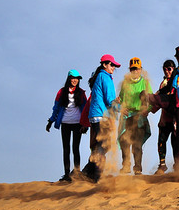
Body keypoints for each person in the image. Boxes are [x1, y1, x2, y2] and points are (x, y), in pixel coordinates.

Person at [83, 54, 121, 182]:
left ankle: (89, 173)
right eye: (111, 65)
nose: (113, 67)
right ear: (104, 65)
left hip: (96, 115)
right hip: (101, 116)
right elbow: (110, 100)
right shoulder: (105, 77)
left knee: (101, 145)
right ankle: (94, 176)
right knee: (103, 145)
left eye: (114, 65)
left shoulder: (99, 77)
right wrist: (121, 108)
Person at [46, 69, 88, 182]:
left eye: (77, 78)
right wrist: (50, 121)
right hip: (65, 123)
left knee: (75, 148)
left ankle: (77, 172)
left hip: (77, 123)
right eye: (73, 78)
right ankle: (66, 174)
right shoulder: (61, 92)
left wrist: (86, 124)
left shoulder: (81, 93)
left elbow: (85, 109)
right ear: (69, 78)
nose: (75, 80)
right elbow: (56, 108)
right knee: (66, 149)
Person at [118, 57, 152, 175]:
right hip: (127, 116)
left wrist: (147, 110)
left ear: (140, 69)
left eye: (137, 69)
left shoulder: (145, 82)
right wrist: (121, 108)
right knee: (124, 141)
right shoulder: (125, 83)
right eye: (132, 69)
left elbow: (151, 99)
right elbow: (120, 98)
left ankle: (137, 168)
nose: (134, 71)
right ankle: (126, 165)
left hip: (139, 116)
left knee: (137, 143)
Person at [154, 59, 177, 174]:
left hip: (175, 117)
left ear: (174, 69)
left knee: (176, 142)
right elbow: (158, 99)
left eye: (169, 69)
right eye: (165, 69)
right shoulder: (163, 83)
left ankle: (178, 165)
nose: (167, 71)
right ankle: (162, 165)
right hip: (164, 118)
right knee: (161, 141)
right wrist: (151, 109)